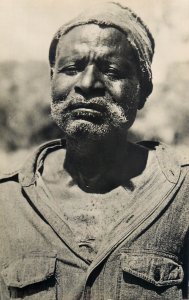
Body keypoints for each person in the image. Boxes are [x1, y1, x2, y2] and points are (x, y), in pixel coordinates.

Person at [0, 2, 188, 299]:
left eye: (112, 70)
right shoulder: (7, 200)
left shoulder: (182, 195)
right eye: (71, 69)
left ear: (144, 90)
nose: (87, 84)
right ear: (52, 80)